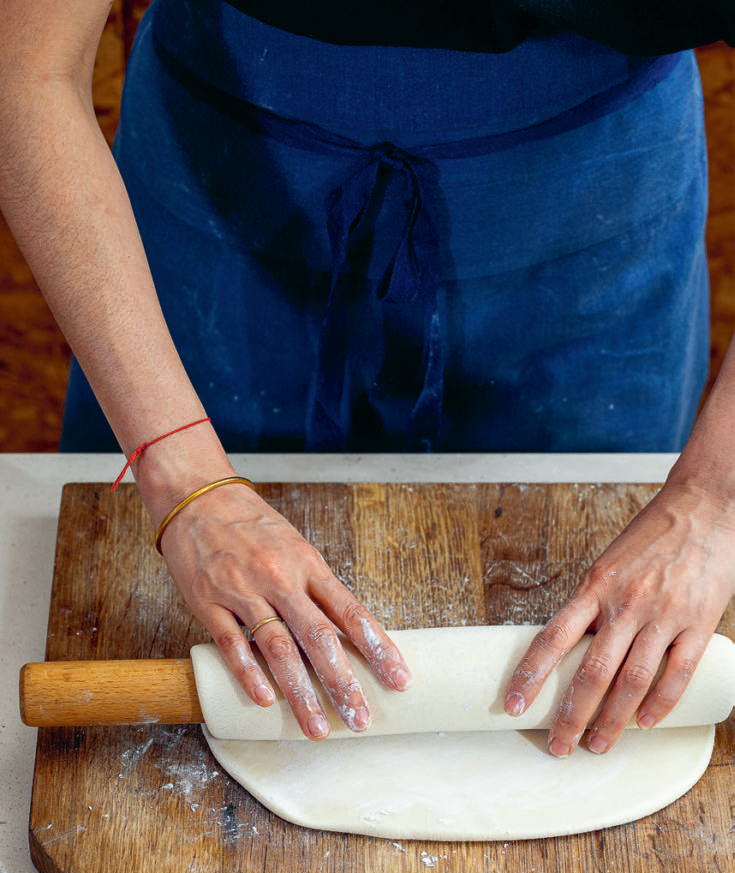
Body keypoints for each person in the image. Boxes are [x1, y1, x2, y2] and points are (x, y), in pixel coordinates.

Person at [1, 0, 734, 756]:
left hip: (587, 205)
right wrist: (186, 482)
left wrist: (713, 505)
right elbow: (25, 73)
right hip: (224, 175)